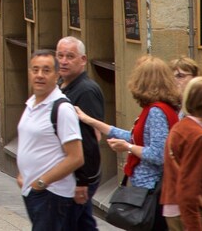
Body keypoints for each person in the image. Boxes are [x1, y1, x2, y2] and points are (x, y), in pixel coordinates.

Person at [76, 55, 181, 231]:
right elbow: (133, 135)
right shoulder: (158, 108)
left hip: (151, 191)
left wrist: (128, 148)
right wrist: (91, 121)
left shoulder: (156, 111)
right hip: (149, 189)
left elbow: (157, 154)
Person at [16, 49, 84, 230]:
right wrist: (23, 176)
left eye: (46, 70)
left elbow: (76, 157)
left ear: (56, 75)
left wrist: (42, 182)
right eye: (35, 70)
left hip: (52, 194)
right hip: (34, 192)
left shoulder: (62, 109)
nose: (39, 75)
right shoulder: (32, 103)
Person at [55, 36, 104, 230]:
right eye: (60, 56)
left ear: (83, 60)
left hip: (78, 177)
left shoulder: (86, 91)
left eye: (70, 56)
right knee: (83, 224)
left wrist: (83, 180)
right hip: (68, 175)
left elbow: (91, 139)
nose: (64, 61)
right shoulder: (61, 85)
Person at [162, 77, 202, 231]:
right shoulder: (197, 135)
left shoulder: (182, 127)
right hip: (192, 213)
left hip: (178, 209)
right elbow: (188, 186)